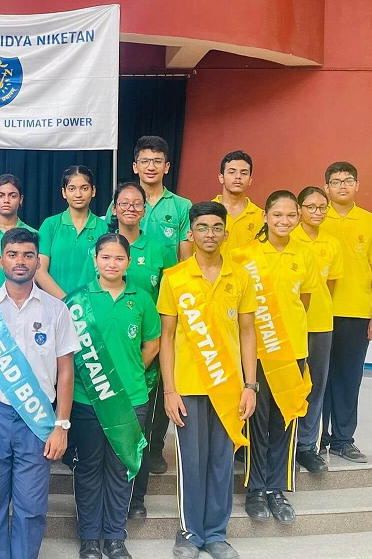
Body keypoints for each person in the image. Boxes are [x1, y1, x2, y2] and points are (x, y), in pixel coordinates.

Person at [0, 227, 80, 559]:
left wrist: (61, 425)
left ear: (38, 261)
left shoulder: (56, 310)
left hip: (37, 421)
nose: (20, 261)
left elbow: (66, 371)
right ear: (1, 261)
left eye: (28, 255)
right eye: (13, 254)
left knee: (32, 508)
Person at [157, 201, 257, 559]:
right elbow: (167, 337)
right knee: (192, 464)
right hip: (187, 386)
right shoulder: (174, 278)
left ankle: (216, 534)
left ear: (226, 233)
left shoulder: (240, 276)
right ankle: (189, 533)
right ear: (191, 233)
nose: (209, 234)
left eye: (216, 227)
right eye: (202, 227)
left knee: (221, 461)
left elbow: (248, 333)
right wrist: (169, 390)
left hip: (229, 387)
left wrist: (250, 385)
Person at [64, 233, 161, 559]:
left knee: (122, 468)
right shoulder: (77, 301)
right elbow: (66, 353)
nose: (112, 263)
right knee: (89, 468)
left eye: (119, 258)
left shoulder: (142, 298)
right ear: (95, 260)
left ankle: (116, 538)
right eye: (105, 257)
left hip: (131, 399)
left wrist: (127, 376)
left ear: (128, 262)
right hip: (87, 399)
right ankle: (90, 538)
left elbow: (152, 344)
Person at [230, 191, 318, 524]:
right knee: (256, 420)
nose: (284, 221)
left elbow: (303, 300)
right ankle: (255, 488)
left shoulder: (305, 253)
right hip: (256, 352)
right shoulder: (245, 256)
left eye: (291, 215)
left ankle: (277, 489)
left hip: (293, 351)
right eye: (277, 215)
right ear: (265, 217)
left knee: (285, 421)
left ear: (298, 217)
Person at [99, 181, 177, 516]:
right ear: (114, 209)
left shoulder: (160, 249)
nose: (130, 208)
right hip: (104, 358)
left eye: (137, 204)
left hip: (147, 354)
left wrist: (140, 363)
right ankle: (103, 497)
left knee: (139, 431)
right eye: (124, 203)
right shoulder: (103, 247)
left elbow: (171, 298)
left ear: (145, 210)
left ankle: (137, 498)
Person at [320, 162, 372, 462]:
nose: (342, 186)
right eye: (336, 182)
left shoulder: (370, 222)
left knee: (348, 379)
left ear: (357, 185)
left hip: (357, 314)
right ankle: (315, 439)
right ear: (326, 188)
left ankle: (343, 439)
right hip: (318, 314)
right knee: (317, 380)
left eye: (348, 181)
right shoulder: (316, 218)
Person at [292, 187, 343, 473]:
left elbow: (329, 286)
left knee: (316, 386)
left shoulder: (332, 243)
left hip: (321, 323)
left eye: (322, 207)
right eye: (310, 207)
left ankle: (306, 446)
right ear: (299, 209)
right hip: (290, 325)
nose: (317, 212)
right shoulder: (288, 238)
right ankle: (283, 443)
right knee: (289, 385)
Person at [106, 137, 192, 260]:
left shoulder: (183, 206)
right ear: (135, 167)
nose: (151, 167)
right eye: (145, 161)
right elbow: (107, 245)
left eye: (157, 161)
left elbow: (185, 258)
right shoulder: (121, 205)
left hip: (167, 272)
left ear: (167, 167)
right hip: (127, 271)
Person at [36, 165, 109, 299]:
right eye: (71, 189)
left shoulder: (104, 228)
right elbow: (39, 271)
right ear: (64, 192)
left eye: (84, 188)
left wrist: (82, 305)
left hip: (92, 305)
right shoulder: (50, 225)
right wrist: (68, 302)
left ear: (93, 191)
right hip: (54, 304)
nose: (78, 194)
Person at [213, 151, 263, 254]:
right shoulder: (206, 213)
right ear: (221, 178)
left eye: (244, 173)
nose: (238, 177)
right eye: (232, 172)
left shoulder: (261, 217)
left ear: (250, 180)